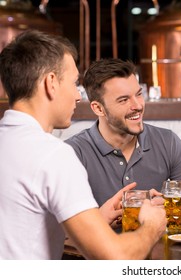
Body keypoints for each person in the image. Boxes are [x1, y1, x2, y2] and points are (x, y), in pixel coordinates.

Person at [0, 30, 166, 260]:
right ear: (51, 83)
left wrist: (96, 218)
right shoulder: (53, 155)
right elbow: (116, 258)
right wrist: (152, 225)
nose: (78, 96)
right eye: (74, 82)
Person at [65, 58, 181, 222]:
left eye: (138, 94)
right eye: (123, 100)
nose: (137, 105)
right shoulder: (72, 153)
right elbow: (59, 231)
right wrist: (101, 220)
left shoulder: (166, 141)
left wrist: (165, 211)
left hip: (159, 247)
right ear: (98, 108)